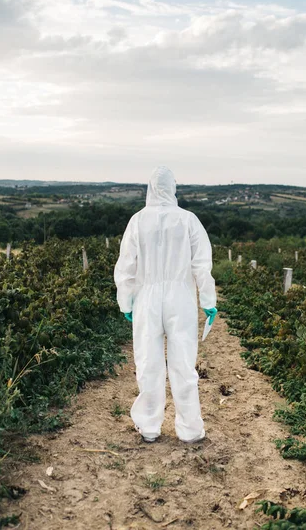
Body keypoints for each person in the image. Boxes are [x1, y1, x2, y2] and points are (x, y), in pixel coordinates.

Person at [114, 166, 217, 443]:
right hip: (181, 298)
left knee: (148, 361)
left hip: (146, 299)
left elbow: (126, 267)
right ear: (173, 188)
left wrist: (126, 301)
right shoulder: (189, 220)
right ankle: (190, 430)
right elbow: (202, 265)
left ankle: (149, 427)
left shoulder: (137, 220)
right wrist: (208, 300)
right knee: (183, 364)